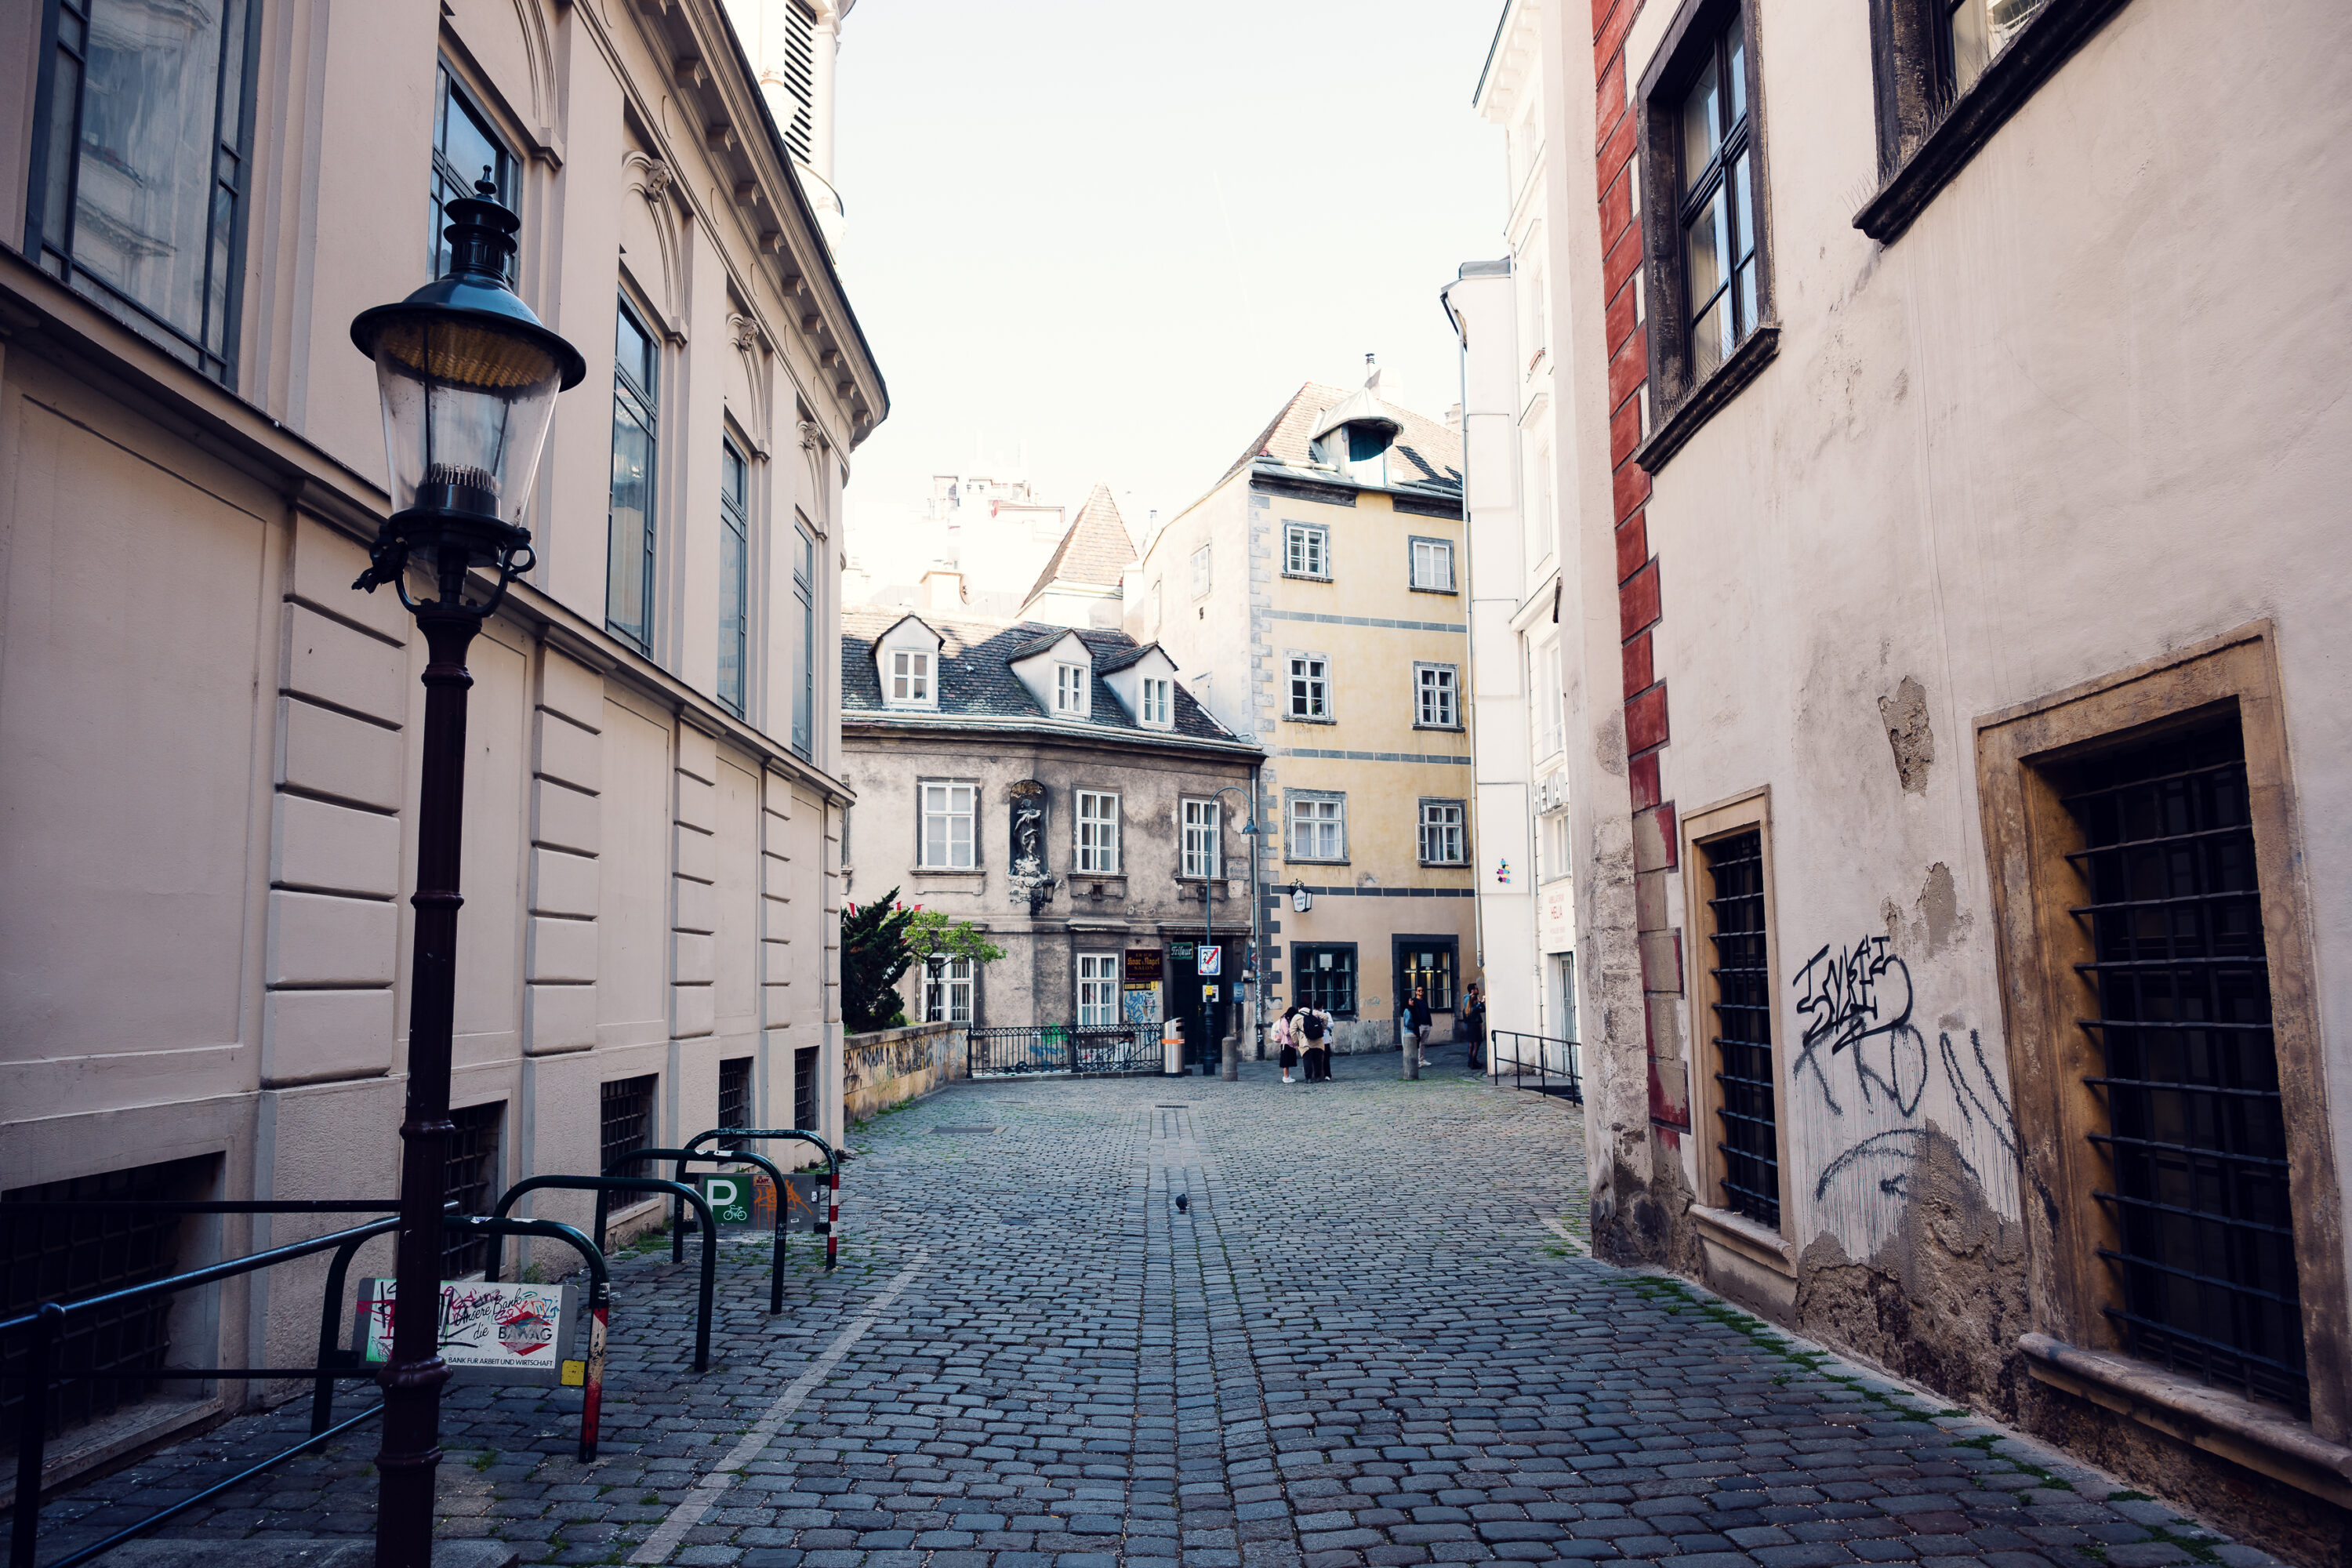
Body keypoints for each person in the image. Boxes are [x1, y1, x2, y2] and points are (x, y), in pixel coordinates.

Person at [1300, 1005, 1331, 1081]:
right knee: (1318, 1059)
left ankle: (1309, 1078)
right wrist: (1323, 1028)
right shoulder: (1315, 1013)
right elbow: (1325, 1017)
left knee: (1307, 1060)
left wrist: (1296, 1042)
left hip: (1307, 1041)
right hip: (1318, 1040)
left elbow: (1292, 1030)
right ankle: (1318, 1077)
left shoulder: (1297, 1016)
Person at [1461, 984, 1487, 1071]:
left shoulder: (1466, 1010)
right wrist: (1481, 1002)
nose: (1478, 990)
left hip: (1470, 1027)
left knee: (1471, 1045)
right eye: (1476, 988)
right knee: (1475, 1046)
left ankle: (1471, 1063)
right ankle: (1472, 1063)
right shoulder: (1474, 1007)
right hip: (1475, 1027)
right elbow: (1483, 1009)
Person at [1407, 986, 1434, 1069]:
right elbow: (1409, 1010)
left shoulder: (1424, 1001)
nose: (1421, 992)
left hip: (1427, 1024)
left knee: (1423, 1043)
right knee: (1417, 1043)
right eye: (1419, 990)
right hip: (1419, 1025)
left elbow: (1427, 1012)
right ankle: (1416, 1061)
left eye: (1422, 990)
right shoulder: (1414, 1001)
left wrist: (1430, 1023)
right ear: (1416, 992)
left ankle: (1421, 1060)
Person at [1274, 1005, 1300, 1083]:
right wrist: (1294, 1029)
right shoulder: (1284, 1020)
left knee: (1288, 1061)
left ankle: (1287, 1075)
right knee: (1285, 1061)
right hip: (1286, 1043)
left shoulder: (1287, 1019)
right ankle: (1286, 1077)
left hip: (1289, 1043)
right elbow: (1286, 1032)